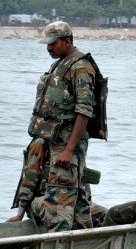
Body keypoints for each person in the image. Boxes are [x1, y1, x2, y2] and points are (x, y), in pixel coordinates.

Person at [26, 21, 106, 231]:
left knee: (59, 203)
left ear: (67, 41)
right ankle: (85, 239)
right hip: (56, 142)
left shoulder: (80, 67)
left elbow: (84, 110)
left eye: (53, 43)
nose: (48, 48)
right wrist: (44, 143)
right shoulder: (60, 64)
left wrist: (69, 150)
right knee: (78, 200)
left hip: (68, 145)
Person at [8, 137, 106, 228]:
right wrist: (20, 215)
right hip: (42, 199)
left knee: (105, 215)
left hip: (69, 199)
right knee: (61, 213)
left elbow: (82, 178)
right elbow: (29, 182)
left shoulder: (73, 146)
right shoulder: (40, 144)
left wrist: (85, 205)